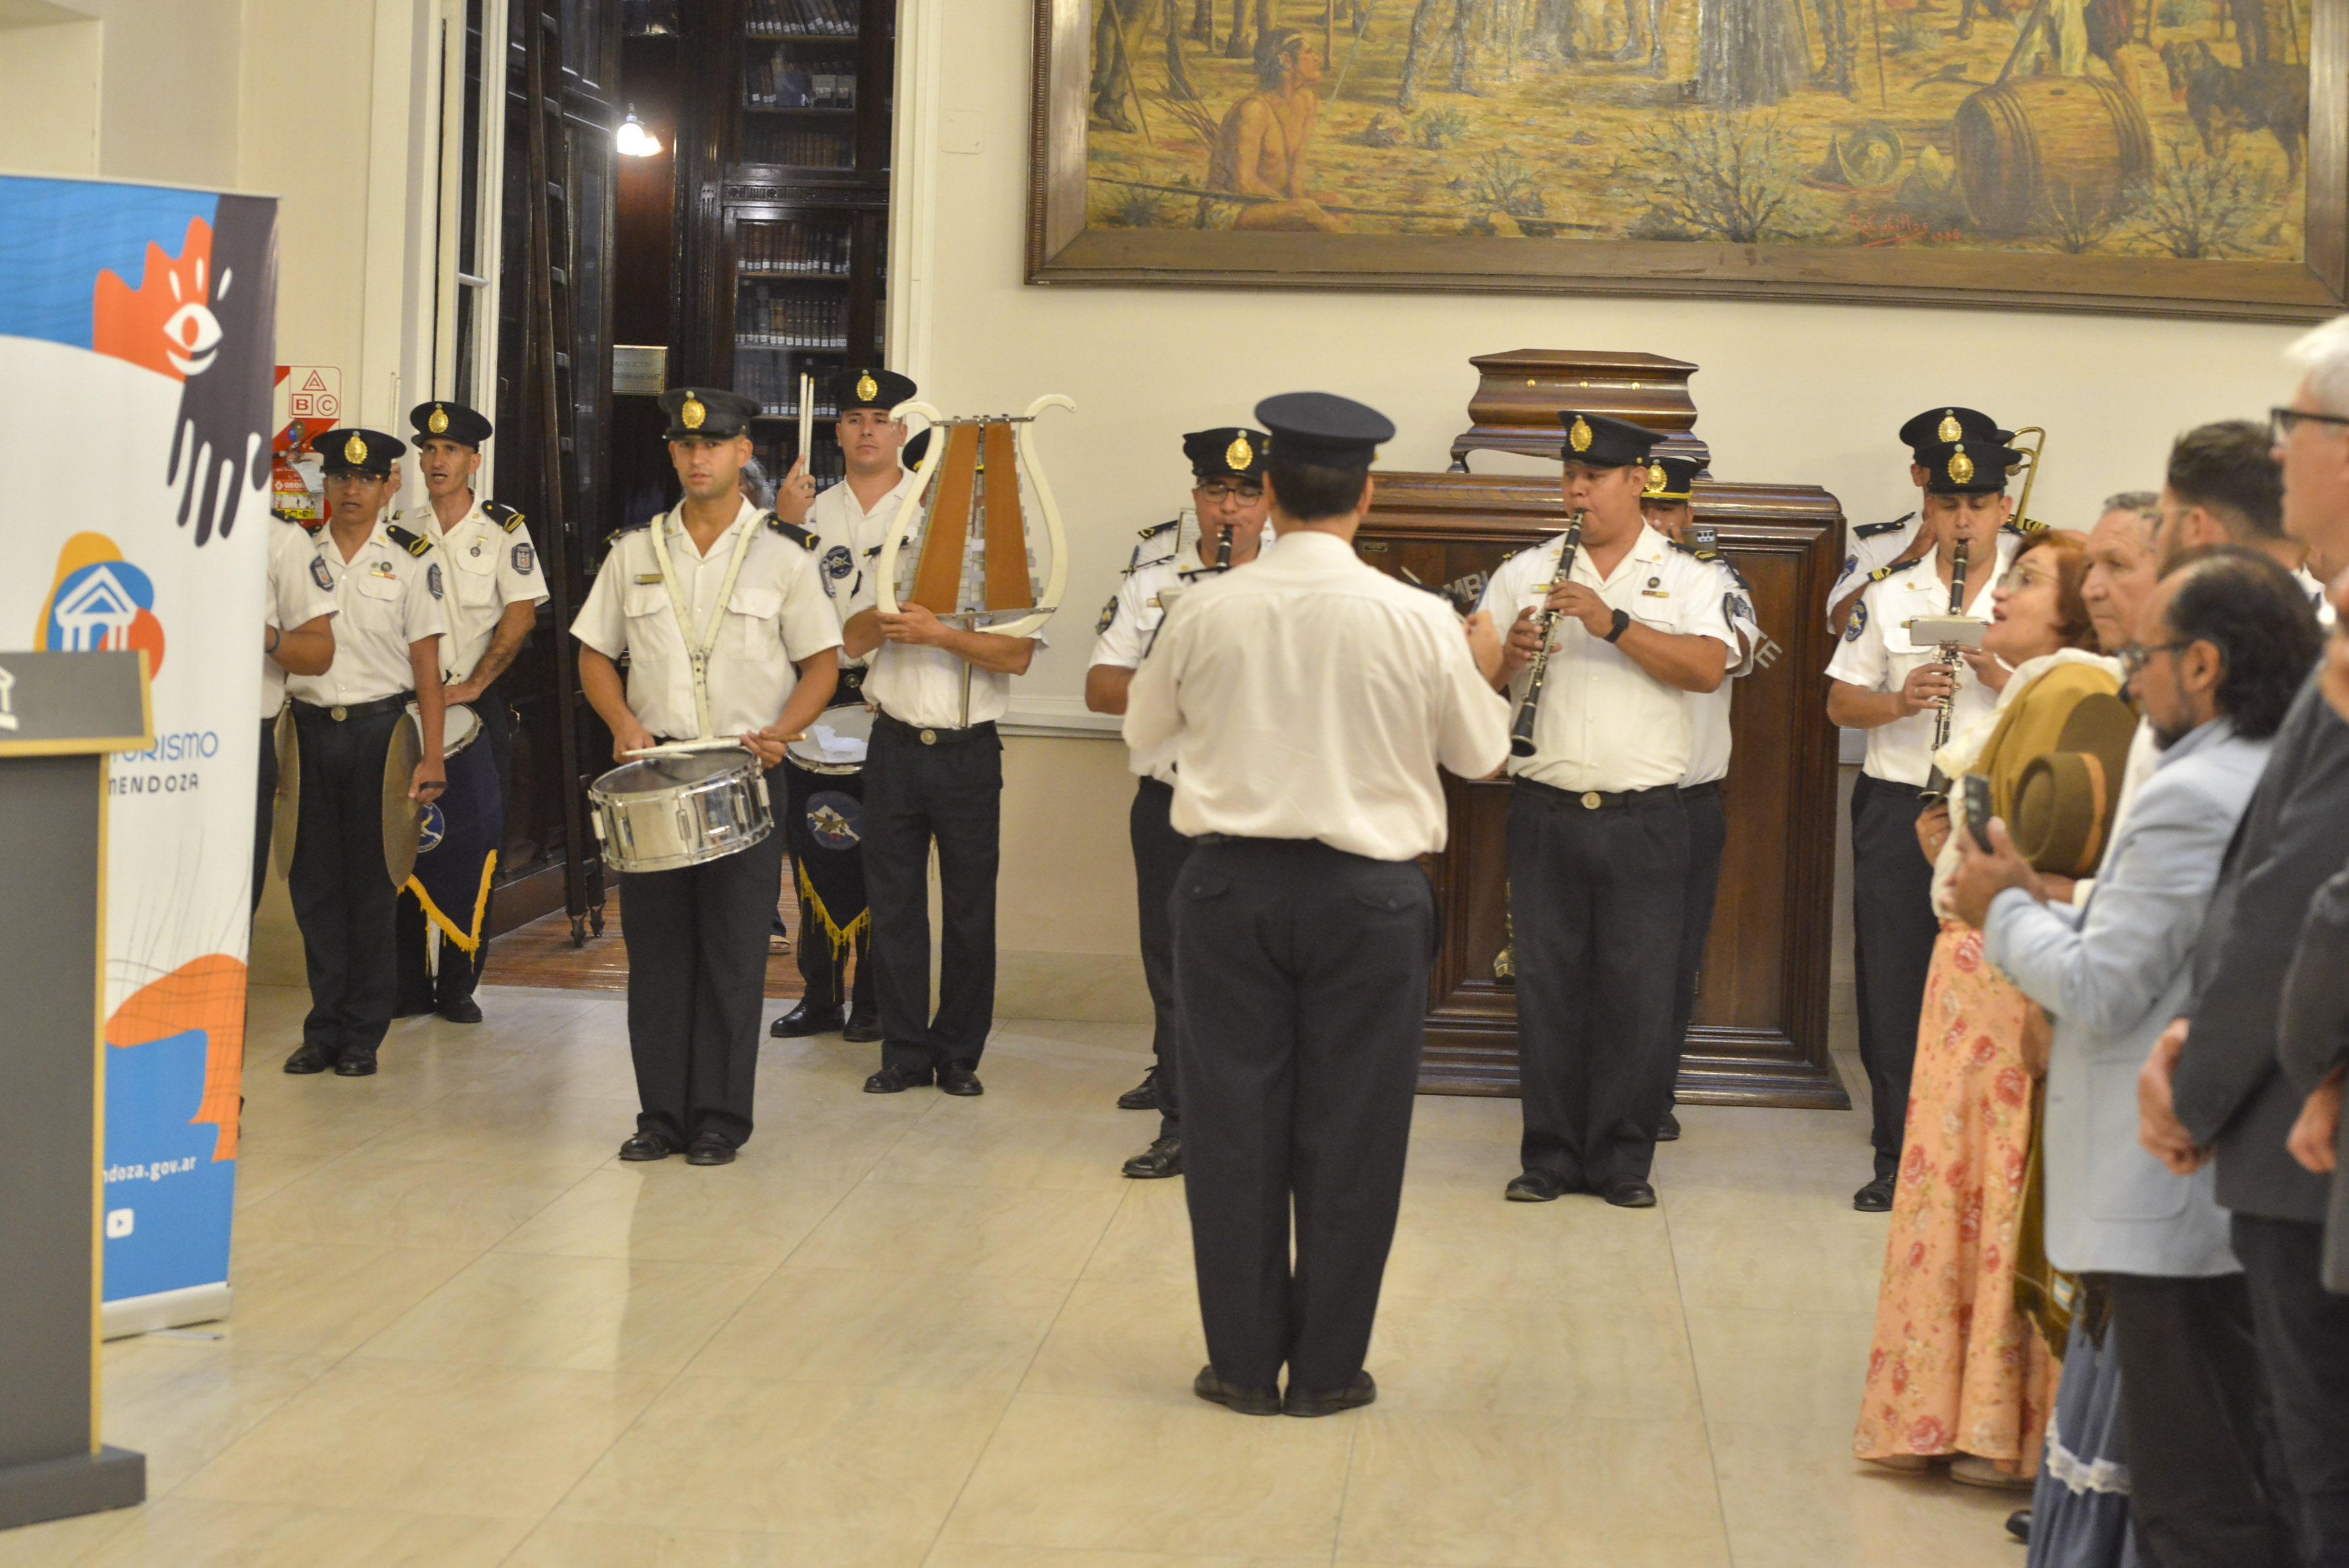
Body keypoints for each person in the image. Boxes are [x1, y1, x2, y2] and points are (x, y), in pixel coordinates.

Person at [1126, 391, 1509, 1417]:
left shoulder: (1204, 607)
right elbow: (1483, 757)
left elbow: (1142, 732)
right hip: (1369, 900)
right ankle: (1330, 1370)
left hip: (1228, 888)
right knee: (1355, 1132)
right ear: (1365, 495)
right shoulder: (1417, 617)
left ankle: (1242, 1366)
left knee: (1230, 1127)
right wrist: (1479, 667)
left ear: (1271, 491)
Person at [1963, 548, 2316, 1567]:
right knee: (2244, 1478)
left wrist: (2003, 909)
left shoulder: (2192, 789)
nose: (2127, 681)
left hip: (2161, 1188)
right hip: (2231, 1189)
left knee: (2190, 1498)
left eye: (2144, 658)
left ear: (2202, 665)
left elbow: (2101, 988)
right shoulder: (2275, 769)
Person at [2152, 319, 2349, 1565]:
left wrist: (2197, 1079)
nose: (2278, 455)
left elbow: (2307, 901)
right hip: (2293, 1105)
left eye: (2297, 428)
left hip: (2299, 1123)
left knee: (2319, 1480)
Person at [1852, 529, 2105, 1487]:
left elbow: (2057, 859)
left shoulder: (2072, 690)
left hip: (2010, 976)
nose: (2000, 591)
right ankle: (1956, 1412)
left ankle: (1999, 1423)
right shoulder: (2036, 686)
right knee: (1958, 1184)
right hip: (1975, 964)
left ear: (2076, 611)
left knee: (1994, 1186)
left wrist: (1968, 873)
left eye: (2028, 580)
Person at [571, 387, 838, 1166]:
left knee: (732, 949)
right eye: (686, 445)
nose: (698, 457)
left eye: (714, 444)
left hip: (745, 768)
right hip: (658, 771)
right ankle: (660, 1116)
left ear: (742, 452)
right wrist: (622, 721)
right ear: (672, 453)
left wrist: (782, 733)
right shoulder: (635, 552)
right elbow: (594, 653)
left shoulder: (784, 555)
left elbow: (822, 665)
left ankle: (720, 1117)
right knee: (657, 952)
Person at [1479, 414, 1735, 1209]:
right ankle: (1549, 1158)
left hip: (1645, 817)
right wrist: (1506, 657)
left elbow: (1707, 668)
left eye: (1594, 478)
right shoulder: (1523, 571)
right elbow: (1469, 677)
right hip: (1544, 810)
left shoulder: (1690, 577)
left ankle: (1624, 1160)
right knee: (1546, 988)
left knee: (1639, 990)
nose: (1577, 492)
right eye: (1569, 477)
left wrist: (1610, 622)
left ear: (1636, 481)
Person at [1827, 428, 2022, 1210]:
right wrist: (1900, 701)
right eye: (1949, 505)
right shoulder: (1889, 594)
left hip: (1996, 815)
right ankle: (1897, 1157)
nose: (1963, 521)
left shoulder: (2031, 595)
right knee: (1894, 983)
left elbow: (2072, 693)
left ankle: (1983, 1161)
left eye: (1979, 504)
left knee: (1998, 984)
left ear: (2004, 506)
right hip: (1898, 805)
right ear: (1929, 508)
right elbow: (1841, 702)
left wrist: (2002, 677)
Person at [1086, 424, 1272, 1180]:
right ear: (1196, 496)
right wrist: (1176, 682)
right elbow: (1102, 689)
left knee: (1255, 974)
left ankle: (1252, 1122)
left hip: (1261, 811)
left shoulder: (1298, 585)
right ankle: (1183, 1124)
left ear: (1269, 503)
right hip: (1168, 804)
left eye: (1247, 494)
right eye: (1217, 491)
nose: (1230, 509)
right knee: (1173, 968)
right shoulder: (1149, 581)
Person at [842, 403, 1043, 1100]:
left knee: (968, 911)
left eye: (976, 480)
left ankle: (958, 1054)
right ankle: (903, 1052)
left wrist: (942, 634)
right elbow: (848, 642)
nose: (963, 493)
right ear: (922, 483)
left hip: (967, 752)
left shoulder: (1007, 560)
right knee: (894, 907)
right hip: (894, 747)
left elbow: (1017, 656)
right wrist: (888, 610)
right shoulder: (888, 551)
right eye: (946, 478)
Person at [281, 428, 448, 1079]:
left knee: (373, 886)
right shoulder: (296, 552)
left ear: (387, 487)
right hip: (308, 732)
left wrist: (433, 756)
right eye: (341, 477)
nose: (352, 489)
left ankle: (361, 1034)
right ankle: (322, 1027)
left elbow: (426, 665)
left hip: (381, 735)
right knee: (313, 885)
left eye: (367, 479)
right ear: (325, 483)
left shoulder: (410, 558)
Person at [771, 366, 918, 1045]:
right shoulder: (810, 509)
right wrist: (782, 525)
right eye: (855, 420)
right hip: (818, 697)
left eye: (881, 420)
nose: (867, 431)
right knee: (817, 844)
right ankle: (820, 995)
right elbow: (770, 600)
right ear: (837, 431)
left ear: (901, 432)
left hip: (892, 702)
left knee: (883, 857)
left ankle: (876, 1000)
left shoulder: (925, 507)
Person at [389, 400, 549, 1024]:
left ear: (473, 462)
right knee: (404, 836)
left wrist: (476, 683)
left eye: (450, 451)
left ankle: (457, 984)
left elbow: (521, 614)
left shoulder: (503, 530)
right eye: (429, 450)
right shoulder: (399, 526)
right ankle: (407, 983)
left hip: (475, 704)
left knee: (474, 843)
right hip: (408, 705)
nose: (437, 460)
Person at [1639, 452, 1767, 1145]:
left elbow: (1731, 652)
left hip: (1685, 803)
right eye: (1647, 508)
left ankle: (1651, 1096)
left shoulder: (1719, 578)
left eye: (1669, 509)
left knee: (1672, 962)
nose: (1659, 522)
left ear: (1689, 514)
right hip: (1604, 799)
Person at [1826, 407, 2016, 637]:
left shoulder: (2016, 546)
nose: (1954, 472)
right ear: (1917, 474)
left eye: (1966, 462)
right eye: (1940, 462)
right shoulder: (1876, 547)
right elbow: (1842, 623)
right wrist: (1908, 557)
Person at [256, 510, 337, 911]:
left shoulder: (279, 538)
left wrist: (265, 636)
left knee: (229, 909)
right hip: (143, 739)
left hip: (242, 744)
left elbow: (319, 652)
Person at [1207, 28, 1342, 232]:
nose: (1317, 58)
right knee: (1305, 212)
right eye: (1309, 52)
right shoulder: (1254, 110)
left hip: (1275, 202)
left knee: (1340, 205)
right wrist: (1291, 205)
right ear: (1286, 60)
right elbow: (1244, 184)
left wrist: (1296, 201)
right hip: (1231, 209)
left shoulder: (1306, 101)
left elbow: (1296, 178)